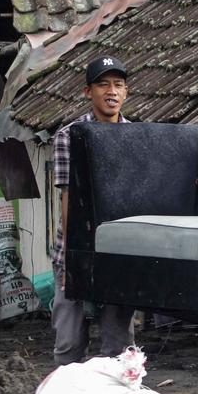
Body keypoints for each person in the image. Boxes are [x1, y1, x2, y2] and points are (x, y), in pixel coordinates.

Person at [50, 55, 135, 365]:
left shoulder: (136, 137)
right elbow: (68, 198)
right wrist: (73, 260)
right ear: (88, 92)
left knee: (119, 347)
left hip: (117, 252)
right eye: (103, 85)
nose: (111, 92)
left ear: (125, 92)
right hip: (74, 250)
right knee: (69, 345)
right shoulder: (69, 136)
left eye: (118, 85)